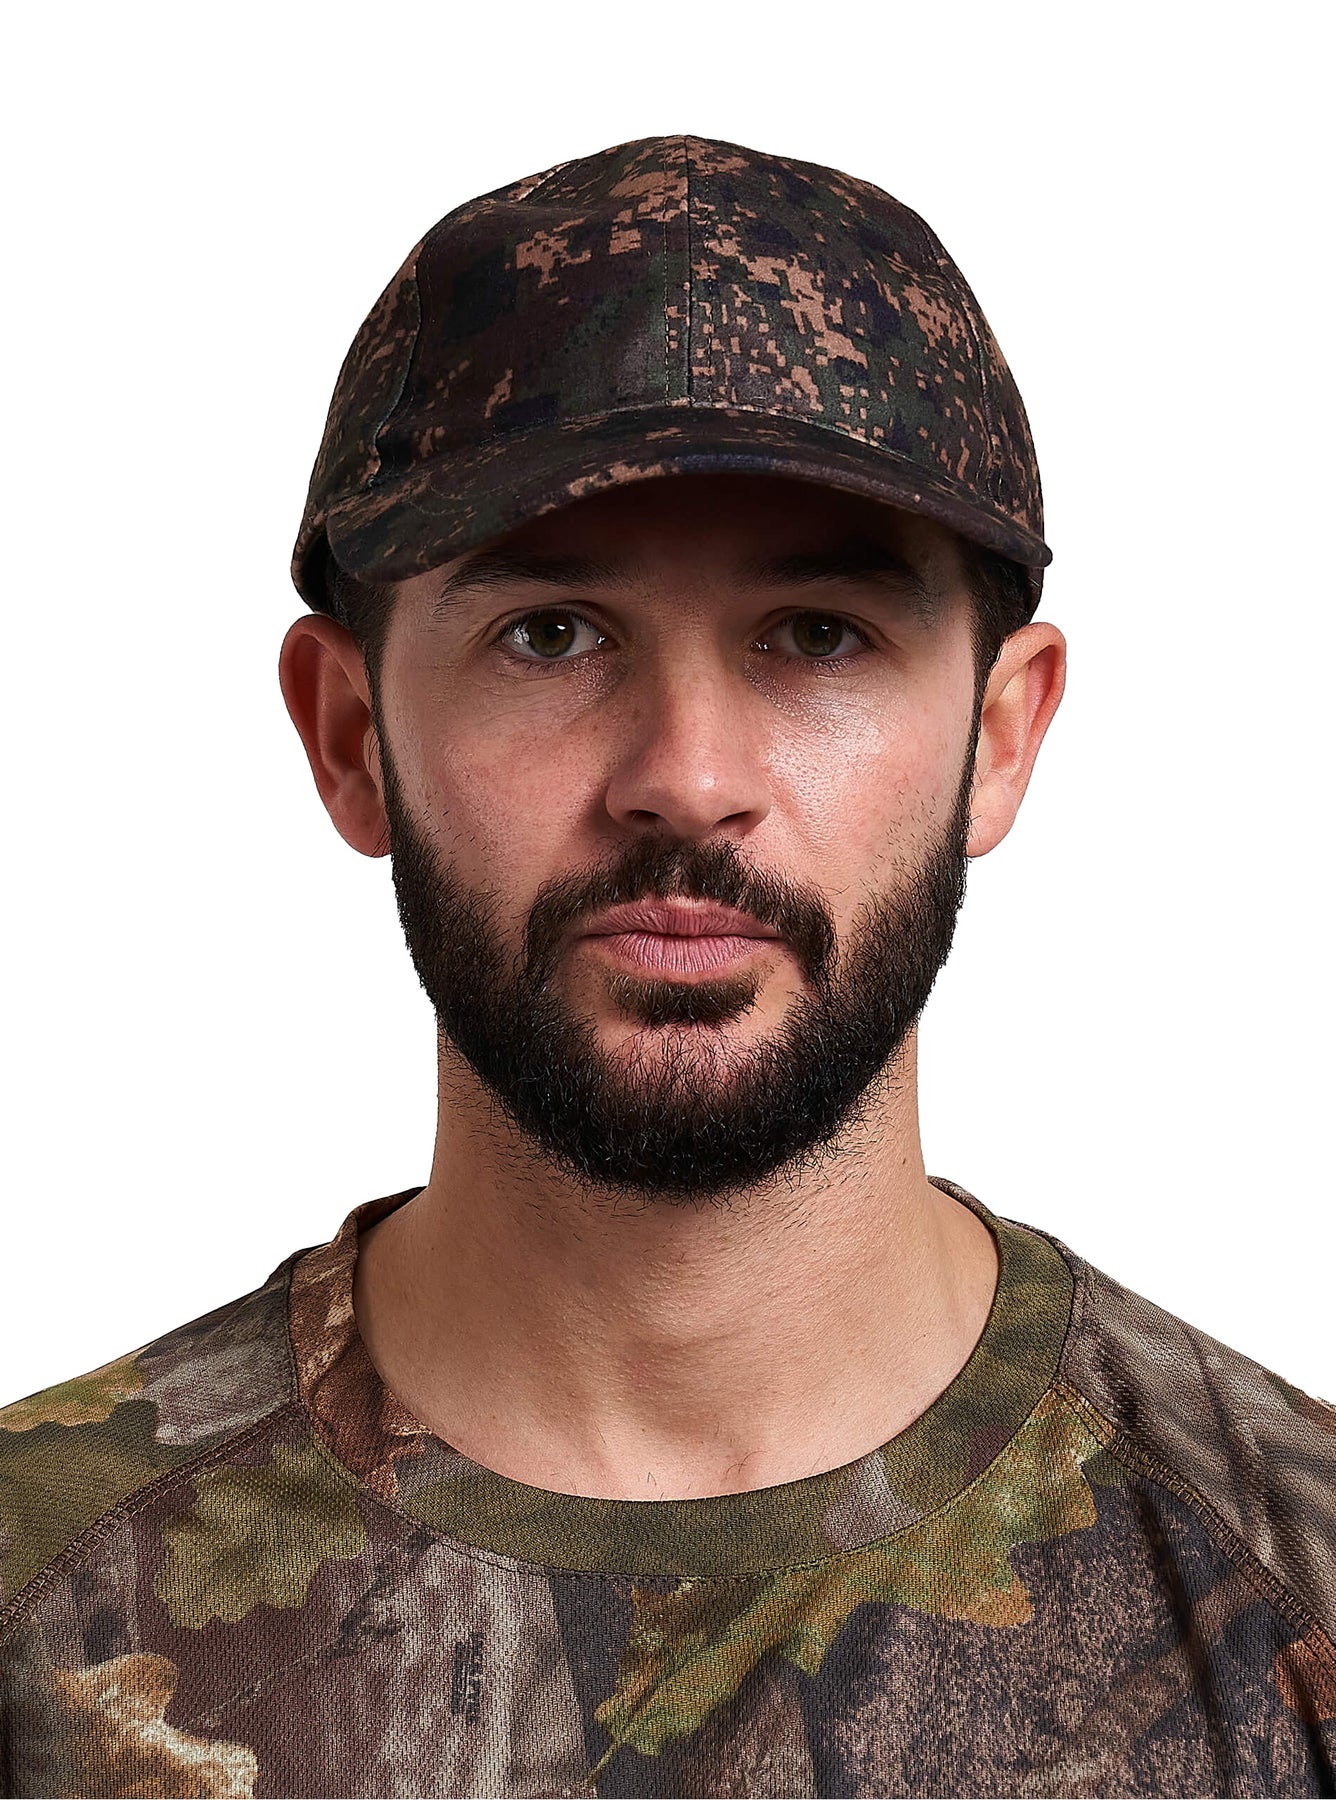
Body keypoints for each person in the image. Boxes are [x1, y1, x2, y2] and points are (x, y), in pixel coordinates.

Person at [1, 134, 1331, 1800]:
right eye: (551, 634)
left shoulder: (1293, 1593)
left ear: (999, 738)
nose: (688, 777)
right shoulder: (37, 1617)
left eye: (819, 635)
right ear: (351, 735)